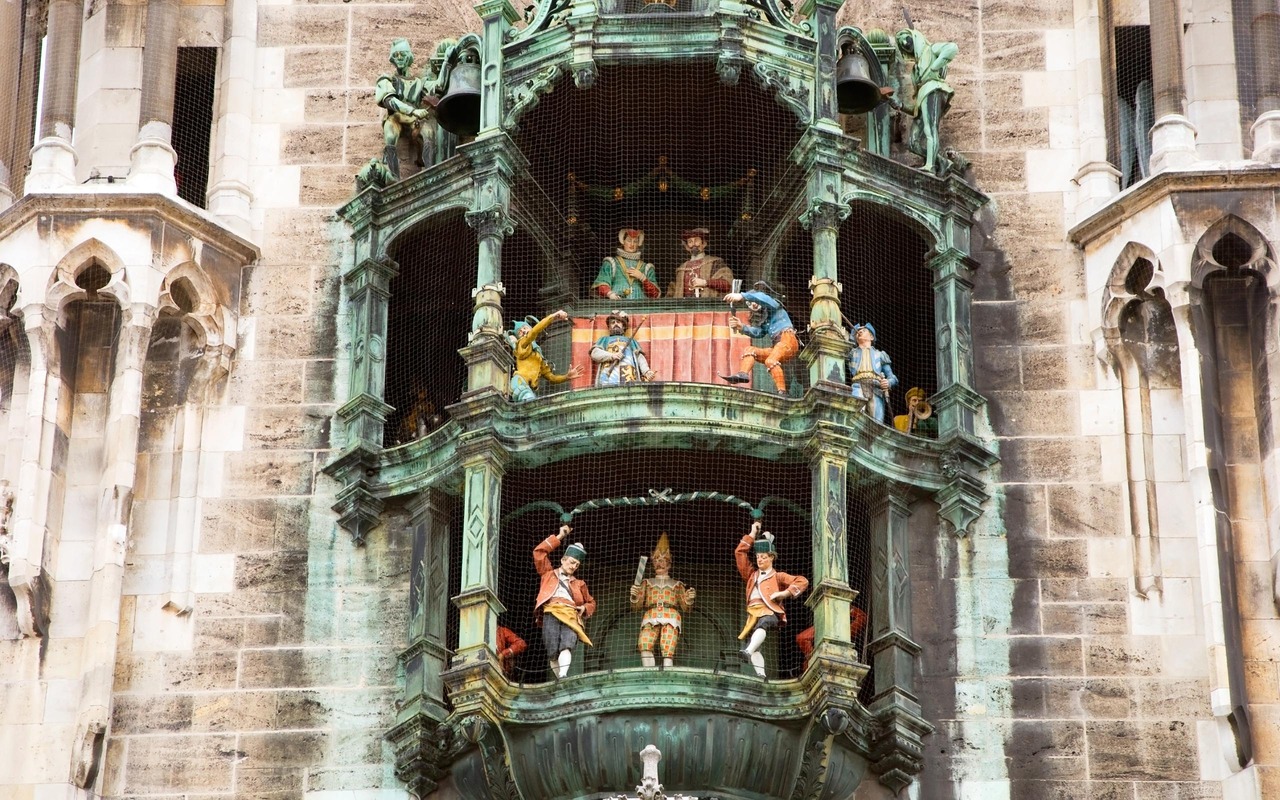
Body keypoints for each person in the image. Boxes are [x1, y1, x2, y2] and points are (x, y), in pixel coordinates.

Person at [735, 520, 809, 678]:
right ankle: (761, 675)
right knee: (757, 645)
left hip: (770, 611)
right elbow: (739, 553)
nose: (759, 560)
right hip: (753, 613)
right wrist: (752, 534)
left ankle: (747, 651)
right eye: (757, 557)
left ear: (771, 558)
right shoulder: (751, 575)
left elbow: (802, 581)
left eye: (763, 557)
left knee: (764, 623)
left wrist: (784, 594)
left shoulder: (778, 576)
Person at [893, 28, 959, 175]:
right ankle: (940, 161)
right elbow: (917, 108)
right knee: (912, 143)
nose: (904, 43)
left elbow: (952, 48)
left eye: (906, 38)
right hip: (925, 93)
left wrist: (935, 66)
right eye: (902, 43)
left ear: (915, 37)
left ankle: (930, 166)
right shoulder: (916, 69)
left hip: (934, 89)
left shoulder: (931, 49)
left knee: (930, 128)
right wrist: (900, 105)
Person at [533, 524, 596, 679]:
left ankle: (563, 675)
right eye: (571, 562)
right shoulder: (548, 574)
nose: (573, 566)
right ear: (563, 560)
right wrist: (560, 536)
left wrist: (583, 608)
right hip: (551, 612)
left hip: (570, 614)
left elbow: (591, 602)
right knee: (552, 650)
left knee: (567, 644)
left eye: (576, 564)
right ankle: (559, 678)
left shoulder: (579, 583)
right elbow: (539, 553)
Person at [630, 533, 696, 667]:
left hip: (671, 615)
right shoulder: (646, 583)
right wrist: (634, 596)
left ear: (669, 562)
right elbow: (636, 606)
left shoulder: (677, 584)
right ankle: (649, 672)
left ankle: (667, 673)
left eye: (662, 560)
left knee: (668, 646)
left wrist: (689, 598)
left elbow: (685, 607)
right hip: (651, 614)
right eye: (656, 560)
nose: (659, 563)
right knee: (644, 643)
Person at [721, 284, 799, 395]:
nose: (752, 304)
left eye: (753, 300)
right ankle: (743, 374)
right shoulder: (765, 319)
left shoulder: (774, 305)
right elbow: (758, 332)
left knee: (770, 361)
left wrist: (742, 296)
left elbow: (764, 299)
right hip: (778, 345)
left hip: (787, 339)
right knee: (750, 350)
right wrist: (741, 326)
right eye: (749, 304)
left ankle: (782, 392)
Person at [374, 38, 435, 180]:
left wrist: (447, 65)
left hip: (415, 119)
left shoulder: (419, 82)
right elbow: (389, 100)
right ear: (392, 59)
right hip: (396, 117)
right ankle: (394, 177)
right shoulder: (387, 79)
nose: (399, 58)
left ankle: (430, 173)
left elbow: (438, 87)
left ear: (409, 57)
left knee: (429, 132)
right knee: (389, 135)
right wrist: (414, 111)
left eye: (402, 54)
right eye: (396, 55)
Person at [509, 310, 584, 402]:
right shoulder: (522, 344)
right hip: (520, 384)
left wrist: (566, 377)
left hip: (527, 388)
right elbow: (534, 332)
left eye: (524, 328)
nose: (523, 331)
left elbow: (551, 377)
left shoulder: (538, 357)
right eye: (520, 332)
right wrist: (553, 316)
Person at [848, 323, 898, 423]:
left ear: (871, 336)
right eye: (858, 331)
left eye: (864, 330)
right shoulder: (851, 353)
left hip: (876, 388)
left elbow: (893, 378)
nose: (860, 331)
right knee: (856, 417)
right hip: (858, 386)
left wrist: (888, 383)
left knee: (876, 422)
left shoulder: (880, 355)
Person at [592, 229, 661, 300]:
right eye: (629, 240)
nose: (632, 244)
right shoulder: (611, 263)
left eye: (635, 241)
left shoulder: (647, 267)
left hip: (640, 306)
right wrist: (610, 294)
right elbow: (601, 284)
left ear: (638, 244)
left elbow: (655, 294)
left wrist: (642, 278)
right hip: (617, 304)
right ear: (623, 242)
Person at [591, 310, 655, 385]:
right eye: (612, 322)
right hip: (609, 373)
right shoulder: (605, 339)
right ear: (609, 327)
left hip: (628, 374)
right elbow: (594, 353)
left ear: (623, 326)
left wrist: (646, 371)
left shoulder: (631, 341)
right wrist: (612, 356)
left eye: (618, 322)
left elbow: (639, 357)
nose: (615, 324)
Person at [668, 228, 734, 299]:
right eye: (690, 242)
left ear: (704, 244)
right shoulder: (680, 270)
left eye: (696, 240)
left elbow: (727, 284)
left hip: (709, 306)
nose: (693, 244)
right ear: (687, 247)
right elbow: (671, 292)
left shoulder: (716, 263)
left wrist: (705, 282)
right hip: (684, 307)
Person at [795, 607, 869, 668]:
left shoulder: (842, 630)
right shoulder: (844, 631)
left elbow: (802, 638)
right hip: (840, 658)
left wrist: (812, 655)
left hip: (830, 660)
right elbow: (862, 618)